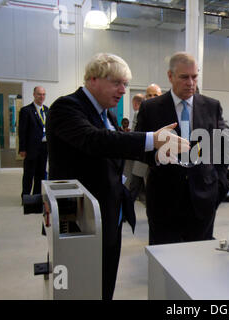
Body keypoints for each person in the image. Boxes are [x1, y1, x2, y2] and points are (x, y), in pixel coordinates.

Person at [46, 52, 189, 300]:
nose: (123, 90)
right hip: (77, 212)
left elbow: (115, 152)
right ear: (92, 79)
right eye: (117, 83)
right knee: (78, 282)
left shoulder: (107, 114)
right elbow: (95, 141)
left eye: (125, 84)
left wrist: (158, 154)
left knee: (104, 279)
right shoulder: (67, 107)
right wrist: (151, 139)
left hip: (109, 212)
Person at [136, 52, 229, 245]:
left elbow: (222, 146)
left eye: (194, 77)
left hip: (203, 198)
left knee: (199, 258)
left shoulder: (211, 106)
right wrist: (157, 156)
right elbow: (140, 147)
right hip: (164, 199)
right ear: (170, 76)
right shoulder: (150, 108)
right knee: (164, 259)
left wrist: (220, 183)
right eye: (184, 77)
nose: (190, 83)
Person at [127, 84, 163, 203]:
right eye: (149, 95)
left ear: (160, 96)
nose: (152, 97)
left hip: (159, 158)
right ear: (145, 97)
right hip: (142, 156)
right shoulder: (139, 113)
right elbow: (133, 134)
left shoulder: (166, 113)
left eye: (155, 95)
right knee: (134, 186)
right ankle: (127, 213)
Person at [18, 86, 49, 201]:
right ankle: (25, 197)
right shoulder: (26, 111)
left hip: (44, 148)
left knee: (40, 175)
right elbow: (22, 131)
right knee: (28, 174)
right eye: (39, 94)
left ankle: (36, 197)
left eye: (43, 94)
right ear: (34, 95)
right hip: (31, 148)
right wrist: (22, 148)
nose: (42, 97)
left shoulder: (47, 110)